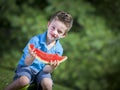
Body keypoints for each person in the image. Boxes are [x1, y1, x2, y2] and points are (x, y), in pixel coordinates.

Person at [5, 10, 73, 90]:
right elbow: (26, 63)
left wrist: (52, 67)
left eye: (59, 31)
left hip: (42, 72)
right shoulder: (35, 40)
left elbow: (46, 70)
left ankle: (36, 84)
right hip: (28, 67)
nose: (54, 32)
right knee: (23, 81)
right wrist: (31, 57)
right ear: (48, 25)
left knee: (48, 84)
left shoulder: (59, 49)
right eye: (53, 28)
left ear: (64, 35)